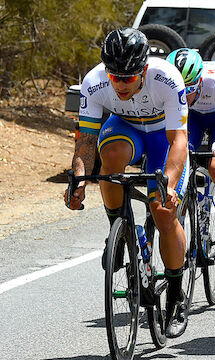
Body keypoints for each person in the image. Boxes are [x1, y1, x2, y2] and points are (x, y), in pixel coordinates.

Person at [64, 28, 190, 338]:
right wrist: (78, 180)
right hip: (126, 128)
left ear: (144, 70)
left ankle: (175, 294)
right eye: (114, 76)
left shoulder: (167, 78)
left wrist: (169, 185)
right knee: (110, 160)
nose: (119, 84)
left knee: (162, 210)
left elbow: (179, 140)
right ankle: (117, 228)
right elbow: (86, 141)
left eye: (128, 78)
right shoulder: (94, 84)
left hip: (163, 136)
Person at [166, 48, 215, 263]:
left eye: (189, 89)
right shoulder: (167, 85)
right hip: (193, 119)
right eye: (179, 90)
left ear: (199, 82)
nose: (184, 95)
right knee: (179, 161)